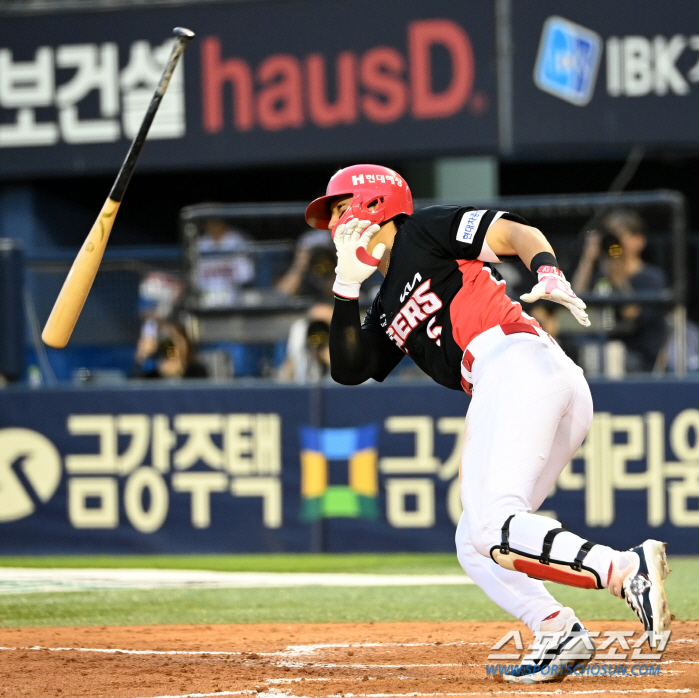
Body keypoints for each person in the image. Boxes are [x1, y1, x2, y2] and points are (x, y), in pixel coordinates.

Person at [305, 164, 671, 684]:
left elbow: (513, 230)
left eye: (342, 208)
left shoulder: (422, 230)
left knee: (493, 525)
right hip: (525, 379)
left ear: (375, 205)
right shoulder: (385, 300)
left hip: (516, 363)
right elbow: (350, 369)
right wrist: (345, 286)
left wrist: (547, 268)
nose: (335, 224)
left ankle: (623, 569)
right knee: (476, 540)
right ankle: (557, 629)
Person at [573, 209, 668, 372]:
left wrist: (618, 278)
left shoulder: (651, 278)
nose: (613, 244)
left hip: (637, 354)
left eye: (619, 237)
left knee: (608, 356)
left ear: (639, 241)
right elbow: (573, 303)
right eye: (610, 237)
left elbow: (631, 314)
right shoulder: (601, 276)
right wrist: (588, 260)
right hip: (599, 348)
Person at [194, 218, 255, 308]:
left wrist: (224, 272)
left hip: (233, 293)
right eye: (210, 224)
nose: (213, 227)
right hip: (206, 294)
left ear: (224, 224)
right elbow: (195, 277)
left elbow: (246, 274)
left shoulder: (238, 241)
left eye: (216, 223)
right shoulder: (201, 244)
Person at [132, 319, 207, 379]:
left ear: (185, 342)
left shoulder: (197, 372)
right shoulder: (152, 377)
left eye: (175, 338)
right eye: (166, 341)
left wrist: (177, 369)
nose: (170, 346)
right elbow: (133, 392)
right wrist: (141, 358)